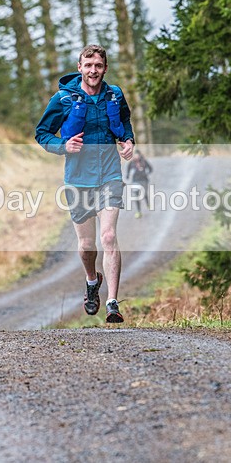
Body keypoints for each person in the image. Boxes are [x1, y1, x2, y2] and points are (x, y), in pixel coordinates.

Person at [35, 44, 135, 323]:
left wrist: (128, 142)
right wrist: (63, 146)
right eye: (88, 65)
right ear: (79, 67)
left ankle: (113, 303)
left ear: (105, 68)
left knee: (109, 237)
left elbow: (125, 122)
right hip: (78, 179)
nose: (94, 70)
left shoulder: (115, 95)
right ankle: (92, 280)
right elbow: (42, 134)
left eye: (99, 66)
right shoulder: (63, 99)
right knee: (87, 244)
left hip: (110, 176)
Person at [126, 150, 153, 218]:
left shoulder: (144, 161)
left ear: (140, 155)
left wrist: (146, 173)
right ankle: (138, 211)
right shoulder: (131, 162)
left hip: (144, 180)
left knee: (144, 194)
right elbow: (128, 170)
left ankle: (148, 203)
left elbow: (150, 169)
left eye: (137, 155)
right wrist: (128, 175)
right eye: (135, 155)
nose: (136, 156)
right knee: (136, 195)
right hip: (135, 181)